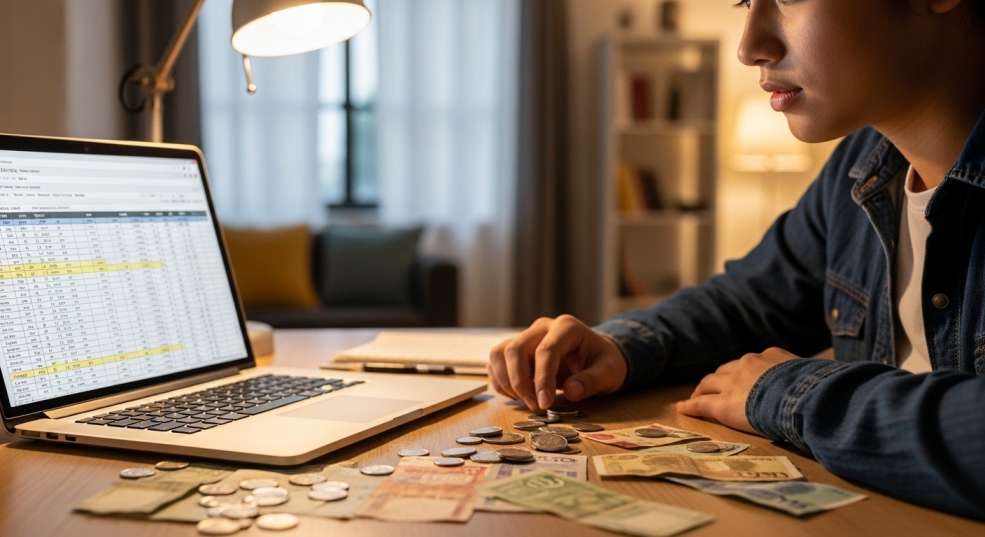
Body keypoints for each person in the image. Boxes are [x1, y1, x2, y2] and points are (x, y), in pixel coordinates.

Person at [488, 0, 985, 521]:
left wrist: (796, 393)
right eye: (746, 3)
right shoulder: (863, 164)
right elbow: (749, 300)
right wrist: (620, 346)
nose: (750, 48)